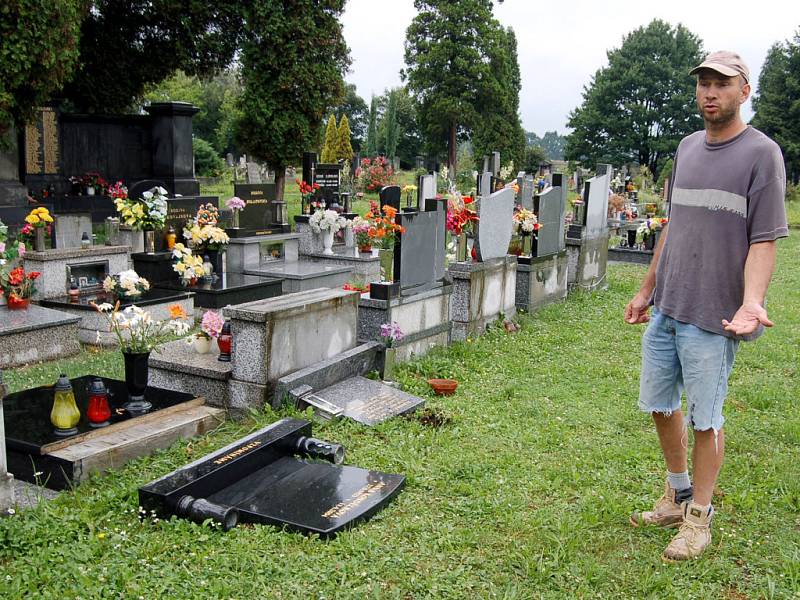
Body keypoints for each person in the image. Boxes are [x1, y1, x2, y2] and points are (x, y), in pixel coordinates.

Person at [624, 50, 788, 561]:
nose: (710, 92)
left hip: (714, 315)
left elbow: (764, 240)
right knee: (659, 405)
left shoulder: (763, 154)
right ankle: (676, 494)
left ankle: (699, 517)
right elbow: (673, 225)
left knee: (705, 419)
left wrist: (751, 302)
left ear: (744, 91)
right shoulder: (687, 147)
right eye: (703, 83)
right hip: (670, 307)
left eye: (722, 82)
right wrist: (647, 288)